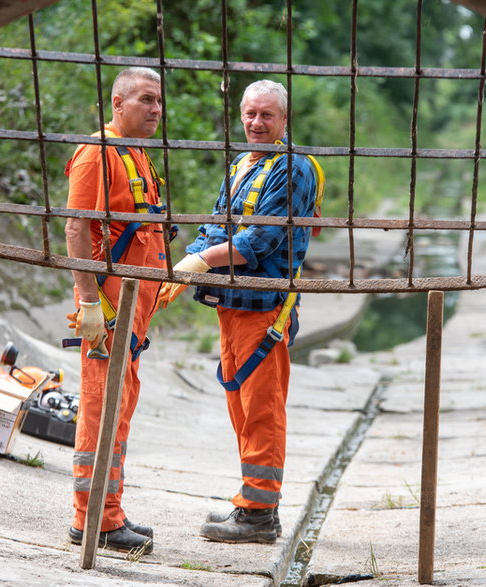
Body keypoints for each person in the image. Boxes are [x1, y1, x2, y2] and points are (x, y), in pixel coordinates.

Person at [157, 79, 322, 544]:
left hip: (264, 310)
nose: (256, 123)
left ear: (285, 120)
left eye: (267, 115)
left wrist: (200, 262)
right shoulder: (244, 163)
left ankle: (259, 516)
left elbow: (259, 241)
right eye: (250, 114)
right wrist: (186, 263)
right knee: (242, 408)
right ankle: (252, 502)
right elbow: (217, 223)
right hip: (232, 304)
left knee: (262, 411)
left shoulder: (292, 169)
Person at [63, 67, 166, 554]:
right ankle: (93, 520)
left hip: (132, 315)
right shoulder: (97, 153)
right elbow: (76, 229)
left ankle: (110, 512)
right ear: (117, 103)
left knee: (118, 413)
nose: (155, 109)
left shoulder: (135, 153)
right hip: (106, 312)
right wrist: (87, 302)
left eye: (159, 101)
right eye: (145, 100)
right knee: (101, 412)